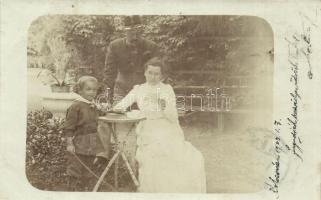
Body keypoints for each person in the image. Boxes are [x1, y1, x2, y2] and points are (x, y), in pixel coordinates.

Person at [113, 57, 207, 193]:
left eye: (156, 74)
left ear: (162, 76)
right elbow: (121, 106)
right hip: (148, 128)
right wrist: (113, 108)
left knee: (173, 153)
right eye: (150, 72)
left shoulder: (167, 89)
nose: (153, 76)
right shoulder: (138, 89)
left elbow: (173, 117)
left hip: (167, 127)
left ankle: (173, 190)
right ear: (145, 73)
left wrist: (164, 106)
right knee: (153, 155)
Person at [63, 76, 110, 191]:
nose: (92, 92)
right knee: (75, 168)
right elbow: (69, 127)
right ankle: (71, 191)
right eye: (88, 89)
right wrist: (69, 144)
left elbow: (101, 114)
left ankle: (85, 190)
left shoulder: (92, 105)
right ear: (80, 91)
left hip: (92, 142)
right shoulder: (76, 106)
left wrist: (99, 108)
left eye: (94, 90)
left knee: (88, 168)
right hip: (79, 142)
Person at [102, 15, 161, 104]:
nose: (135, 37)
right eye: (131, 34)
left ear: (142, 31)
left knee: (145, 116)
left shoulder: (151, 46)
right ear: (125, 32)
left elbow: (159, 72)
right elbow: (109, 73)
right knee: (118, 114)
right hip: (121, 91)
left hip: (144, 91)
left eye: (138, 33)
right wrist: (108, 97)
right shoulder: (115, 46)